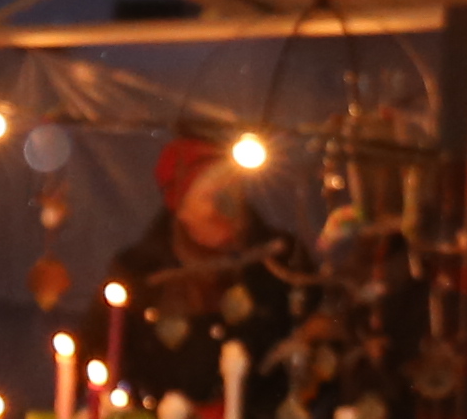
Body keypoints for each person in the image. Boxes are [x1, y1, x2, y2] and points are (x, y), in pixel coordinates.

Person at [101, 133, 313, 405]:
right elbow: (103, 347)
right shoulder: (139, 271)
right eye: (210, 198)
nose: (223, 210)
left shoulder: (280, 260)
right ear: (181, 208)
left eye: (231, 196)